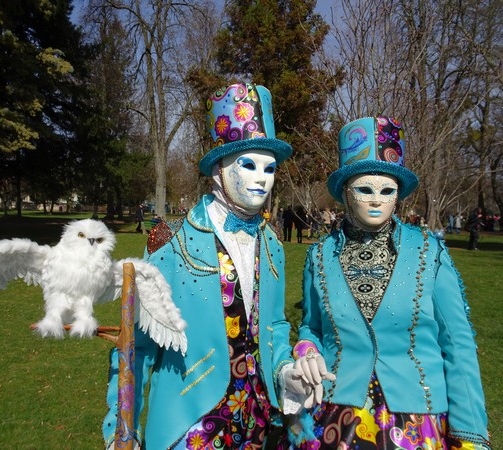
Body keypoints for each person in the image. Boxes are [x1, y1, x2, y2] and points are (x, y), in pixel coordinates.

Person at [103, 82, 311, 449]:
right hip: (191, 424)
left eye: (270, 168)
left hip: (259, 425)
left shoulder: (273, 245)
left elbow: (275, 326)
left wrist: (285, 371)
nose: (262, 178)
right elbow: (136, 346)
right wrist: (122, 429)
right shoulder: (173, 244)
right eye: (248, 165)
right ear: (218, 169)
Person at [292, 117, 490, 449]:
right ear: (345, 192)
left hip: (417, 419)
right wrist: (306, 349)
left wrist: (470, 434)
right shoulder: (320, 257)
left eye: (387, 190)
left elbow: (457, 343)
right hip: (338, 416)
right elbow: (311, 326)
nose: (376, 200)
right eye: (365, 189)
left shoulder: (429, 252)